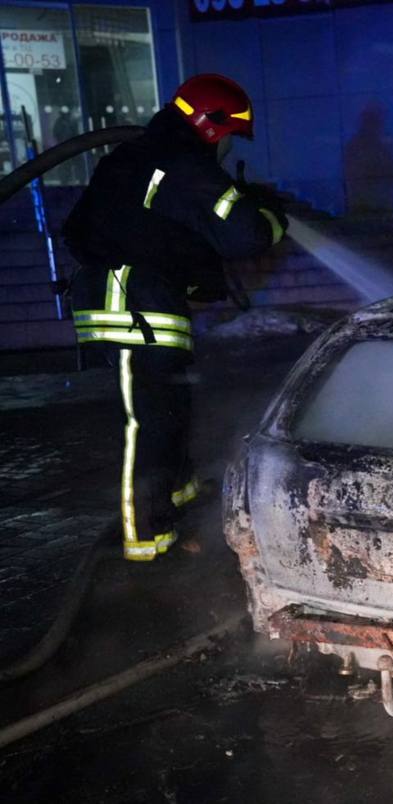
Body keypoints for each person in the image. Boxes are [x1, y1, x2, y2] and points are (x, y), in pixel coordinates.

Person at [63, 73, 287, 562]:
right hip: (132, 304)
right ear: (211, 125)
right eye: (229, 136)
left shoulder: (141, 157)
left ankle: (179, 494)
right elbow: (247, 234)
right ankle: (145, 537)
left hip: (142, 299)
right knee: (148, 422)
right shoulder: (183, 164)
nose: (228, 148)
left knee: (169, 408)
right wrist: (273, 215)